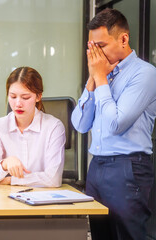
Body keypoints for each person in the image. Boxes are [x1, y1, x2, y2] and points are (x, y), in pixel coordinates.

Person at [71, 8, 156, 240]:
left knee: (128, 236)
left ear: (124, 39)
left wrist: (99, 79)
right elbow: (79, 124)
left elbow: (115, 123)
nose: (95, 54)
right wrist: (92, 80)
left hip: (128, 169)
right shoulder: (102, 75)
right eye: (92, 48)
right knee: (100, 235)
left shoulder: (145, 74)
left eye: (101, 46)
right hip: (97, 167)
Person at [0, 67, 66, 187]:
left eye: (25, 97)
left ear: (38, 96)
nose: (18, 104)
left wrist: (11, 180)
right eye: (12, 97)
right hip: (5, 199)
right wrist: (4, 164)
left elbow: (53, 178)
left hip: (42, 199)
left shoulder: (53, 127)